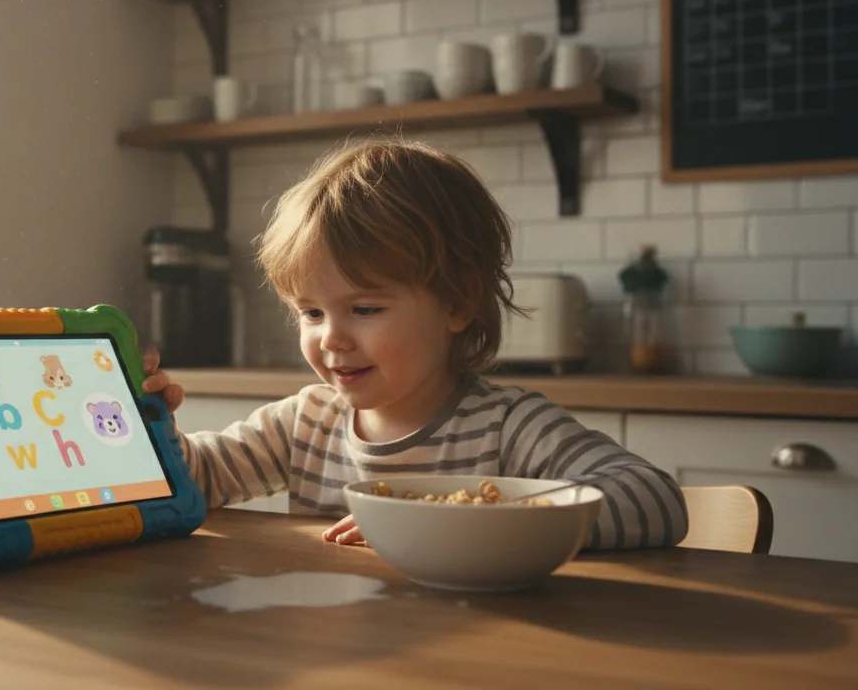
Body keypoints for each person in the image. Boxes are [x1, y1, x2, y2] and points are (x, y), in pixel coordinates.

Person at [140, 139, 688, 550]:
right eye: (310, 312)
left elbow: (654, 498)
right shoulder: (304, 424)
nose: (330, 337)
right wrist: (150, 427)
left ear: (456, 303)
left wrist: (480, 519)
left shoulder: (507, 427)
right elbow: (198, 479)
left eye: (365, 309)